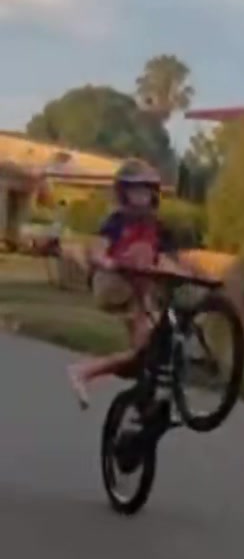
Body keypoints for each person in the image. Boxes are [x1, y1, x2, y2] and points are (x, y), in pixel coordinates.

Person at [67, 160, 189, 408]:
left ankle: (89, 373)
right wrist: (109, 262)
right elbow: (97, 251)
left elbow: (167, 260)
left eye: (146, 191)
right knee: (142, 253)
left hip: (141, 294)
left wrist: (188, 277)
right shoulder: (117, 222)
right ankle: (83, 372)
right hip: (114, 284)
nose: (141, 197)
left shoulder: (158, 228)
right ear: (124, 194)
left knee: (142, 355)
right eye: (135, 191)